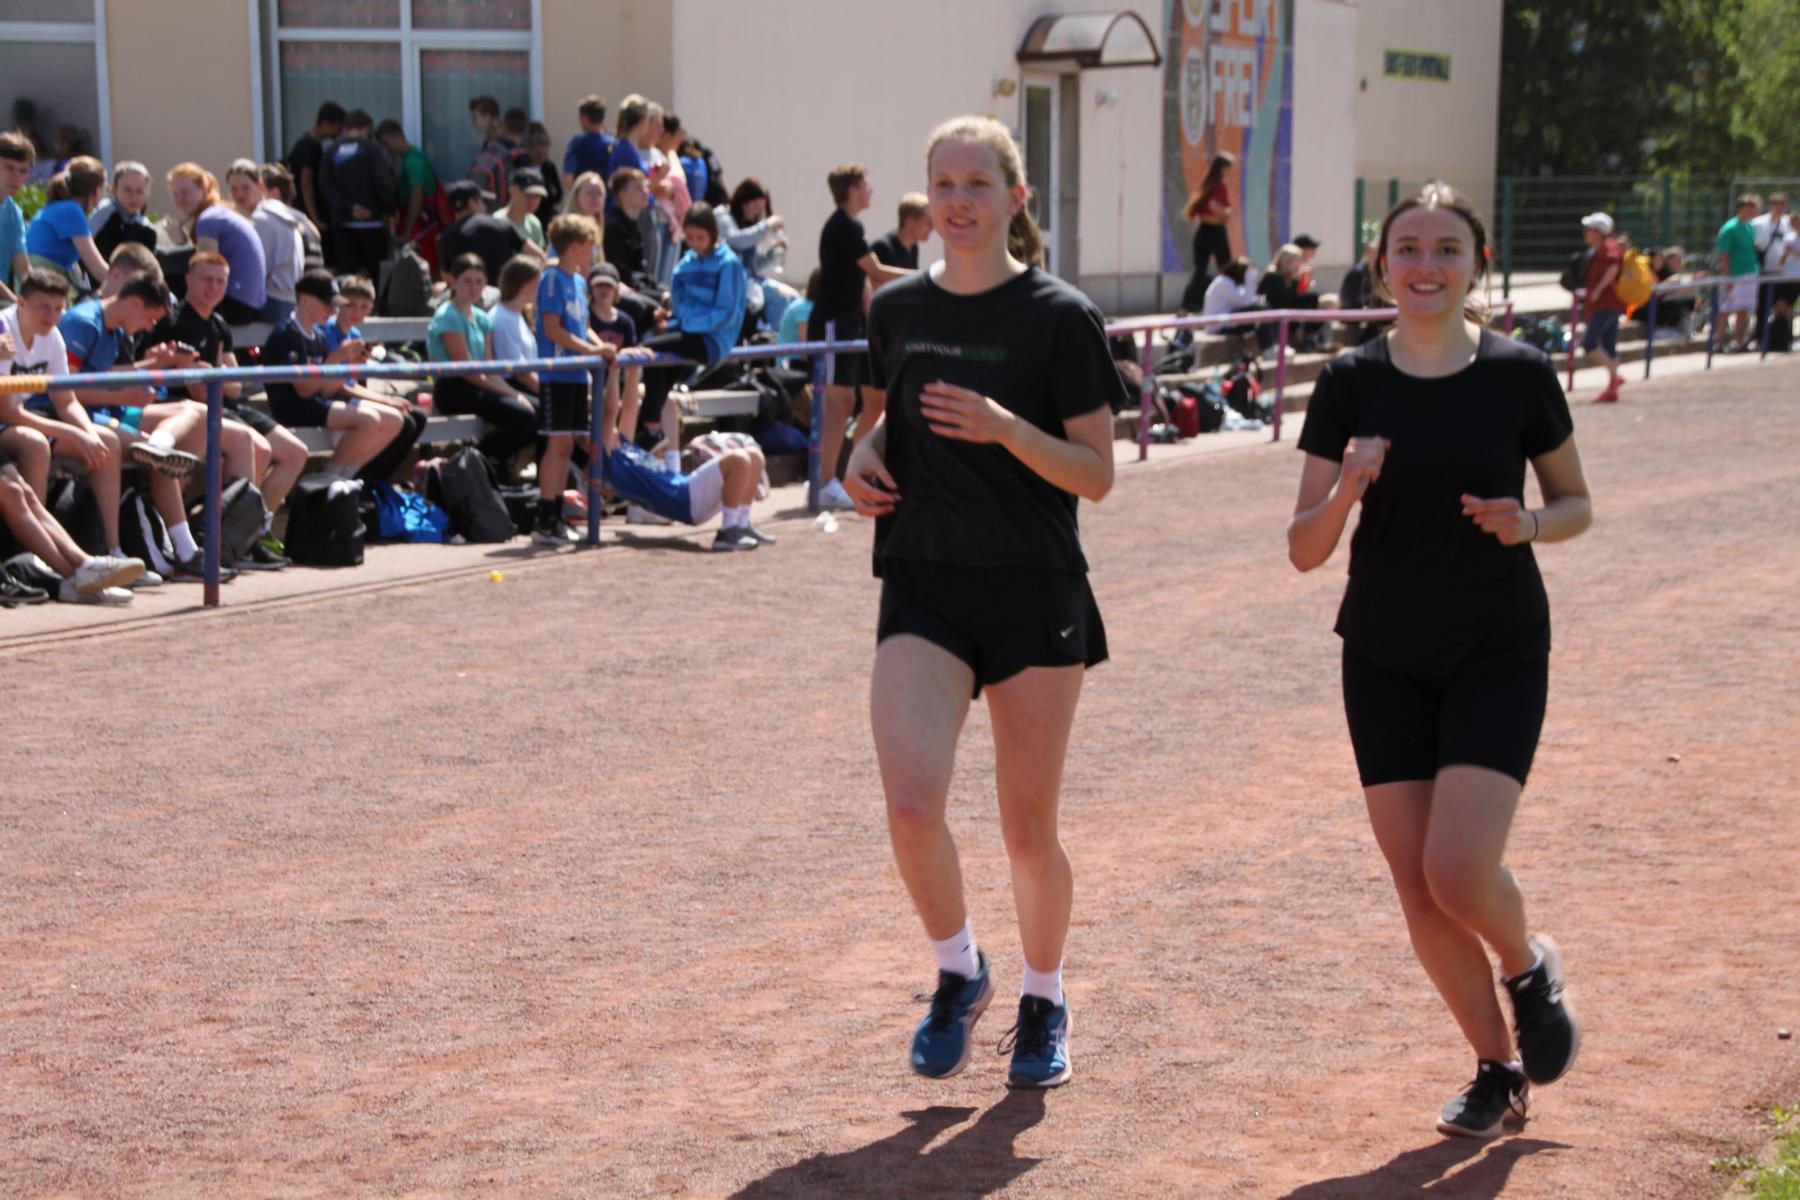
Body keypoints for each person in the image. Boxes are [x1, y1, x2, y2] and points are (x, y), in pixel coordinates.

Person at [1288, 180, 1590, 1141]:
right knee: (1417, 887)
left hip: (1497, 645)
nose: (1427, 265)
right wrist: (1348, 487)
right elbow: (1302, 547)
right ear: (1383, 266)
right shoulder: (1348, 381)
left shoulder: (1519, 373)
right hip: (1383, 653)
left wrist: (1527, 523)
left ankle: (1527, 963)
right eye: (1408, 249)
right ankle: (1498, 1069)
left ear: (1477, 265)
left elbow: (1577, 503)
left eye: (1447, 249)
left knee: (1458, 869)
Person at [840, 115, 1121, 1091]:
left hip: (1033, 588)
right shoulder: (897, 308)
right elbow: (883, 425)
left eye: (977, 184)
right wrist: (859, 458)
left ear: (1015, 198)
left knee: (1026, 830)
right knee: (911, 803)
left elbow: (1097, 474)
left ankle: (1044, 998)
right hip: (922, 577)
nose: (957, 201)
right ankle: (960, 971)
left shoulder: (1060, 316)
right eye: (944, 184)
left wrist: (1005, 427)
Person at [149, 251, 301, 568]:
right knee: (258, 448)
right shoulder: (174, 322)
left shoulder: (218, 324)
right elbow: (196, 388)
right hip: (191, 408)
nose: (214, 287)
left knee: (295, 452)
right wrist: (215, 376)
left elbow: (235, 385)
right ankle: (228, 542)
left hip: (227, 404)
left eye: (221, 281)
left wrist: (214, 371)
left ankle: (253, 533)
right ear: (189, 279)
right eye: (207, 279)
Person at [811, 162, 914, 511]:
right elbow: (878, 272)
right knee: (838, 401)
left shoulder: (851, 226)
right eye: (866, 184)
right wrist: (929, 277)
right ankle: (825, 481)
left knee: (864, 400)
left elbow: (866, 283)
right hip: (833, 323)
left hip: (851, 324)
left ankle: (844, 475)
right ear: (853, 190)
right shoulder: (843, 225)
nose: (871, 190)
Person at [263, 269, 415, 482]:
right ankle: (329, 477)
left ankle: (346, 477)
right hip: (293, 407)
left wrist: (351, 364)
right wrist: (337, 358)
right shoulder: (287, 335)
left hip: (316, 401)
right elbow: (304, 390)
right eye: (327, 303)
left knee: (395, 421)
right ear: (304, 299)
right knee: (370, 421)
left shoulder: (316, 335)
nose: (332, 310)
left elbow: (327, 388)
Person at [638, 204, 747, 466]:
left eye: (701, 237)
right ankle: (656, 439)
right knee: (660, 377)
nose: (696, 243)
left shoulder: (728, 264)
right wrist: (674, 322)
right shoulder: (685, 265)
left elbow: (725, 313)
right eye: (691, 238)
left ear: (713, 234)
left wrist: (681, 325)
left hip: (713, 340)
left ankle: (650, 429)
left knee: (649, 349)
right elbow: (680, 304)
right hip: (687, 334)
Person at [532, 214, 615, 545]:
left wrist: (600, 348)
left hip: (578, 375)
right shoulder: (551, 279)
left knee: (567, 446)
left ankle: (555, 515)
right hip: (558, 374)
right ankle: (545, 518)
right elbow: (553, 329)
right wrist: (592, 351)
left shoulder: (579, 282)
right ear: (575, 246)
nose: (592, 254)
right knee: (557, 446)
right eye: (589, 247)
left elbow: (583, 327)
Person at [428, 253, 538, 476]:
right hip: (454, 388)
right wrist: (512, 394)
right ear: (454, 282)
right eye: (467, 281)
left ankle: (493, 466)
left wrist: (514, 394)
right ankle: (468, 464)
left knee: (539, 410)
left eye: (479, 282)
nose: (473, 287)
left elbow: (489, 366)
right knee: (524, 416)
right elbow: (467, 369)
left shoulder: (481, 318)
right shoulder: (448, 316)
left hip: (478, 384)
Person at [599, 430, 771, 551]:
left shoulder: (624, 444)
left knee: (754, 455)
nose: (615, 429)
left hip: (688, 486)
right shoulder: (610, 460)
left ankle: (742, 524)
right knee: (738, 459)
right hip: (684, 499)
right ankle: (728, 531)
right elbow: (609, 411)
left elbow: (628, 404)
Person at [167, 162, 267, 324]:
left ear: (203, 189)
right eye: (175, 194)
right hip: (250, 302)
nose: (180, 199)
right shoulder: (220, 212)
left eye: (185, 192)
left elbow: (207, 267)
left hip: (237, 305)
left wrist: (180, 244)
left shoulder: (209, 219)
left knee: (169, 276)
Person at [226, 160, 307, 326]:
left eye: (246, 188)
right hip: (288, 300)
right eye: (234, 189)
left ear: (260, 186)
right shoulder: (283, 216)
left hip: (268, 301)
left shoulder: (260, 220)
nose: (239, 194)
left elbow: (254, 269)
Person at [320, 109, 396, 281]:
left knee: (347, 280)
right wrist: (389, 209)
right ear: (366, 128)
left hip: (343, 226)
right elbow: (383, 183)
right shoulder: (372, 150)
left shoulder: (331, 151)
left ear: (345, 128)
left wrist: (349, 208)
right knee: (377, 280)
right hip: (372, 224)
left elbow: (325, 187)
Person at [718, 177, 797, 334]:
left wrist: (772, 253)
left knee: (791, 298)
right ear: (743, 201)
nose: (756, 213)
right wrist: (767, 225)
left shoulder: (750, 226)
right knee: (763, 300)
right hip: (732, 281)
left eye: (760, 209)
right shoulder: (722, 215)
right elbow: (737, 240)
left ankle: (776, 340)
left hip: (751, 281)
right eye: (755, 207)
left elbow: (754, 265)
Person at [25, 155, 110, 292]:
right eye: (105, 188)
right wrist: (130, 288)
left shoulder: (57, 206)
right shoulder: (72, 210)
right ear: (96, 190)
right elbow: (97, 268)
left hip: (35, 285)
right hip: (42, 287)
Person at [376, 119, 449, 275]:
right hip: (421, 222)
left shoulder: (413, 161)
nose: (387, 149)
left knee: (422, 267)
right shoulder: (411, 158)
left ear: (397, 137)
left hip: (423, 224)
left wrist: (407, 231)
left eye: (387, 144)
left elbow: (417, 195)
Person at [438, 181, 542, 282]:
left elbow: (447, 278)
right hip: (505, 291)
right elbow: (534, 252)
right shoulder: (501, 225)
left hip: (468, 293)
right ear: (472, 202)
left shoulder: (445, 238)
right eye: (482, 201)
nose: (485, 206)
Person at [586, 262, 641, 442]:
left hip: (617, 382)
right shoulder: (585, 316)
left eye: (608, 285)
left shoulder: (625, 321)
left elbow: (632, 352)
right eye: (599, 285)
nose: (604, 290)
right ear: (591, 288)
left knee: (644, 394)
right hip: (591, 385)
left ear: (616, 290)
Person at [1576, 213, 1627, 401]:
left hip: (1607, 304)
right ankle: (1612, 388)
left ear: (1598, 232)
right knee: (1609, 345)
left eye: (1589, 229)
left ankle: (1615, 375)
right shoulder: (1601, 248)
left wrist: (1598, 289)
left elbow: (1613, 267)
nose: (1585, 232)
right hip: (1608, 304)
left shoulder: (1608, 247)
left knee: (1589, 343)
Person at [1179, 152, 1236, 312]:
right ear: (1222, 168)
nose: (1230, 172)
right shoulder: (1215, 187)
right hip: (1211, 231)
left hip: (1209, 231)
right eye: (1228, 168)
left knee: (1222, 269)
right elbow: (1216, 209)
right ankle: (1187, 305)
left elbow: (1221, 212)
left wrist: (1223, 212)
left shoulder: (1212, 187)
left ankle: (1223, 302)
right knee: (1210, 270)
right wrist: (1223, 212)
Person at [286, 100, 346, 237]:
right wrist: (315, 218)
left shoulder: (307, 142)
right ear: (325, 123)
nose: (340, 132)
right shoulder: (310, 145)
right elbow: (306, 183)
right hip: (308, 213)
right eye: (338, 126)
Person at [489, 254, 543, 399]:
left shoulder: (517, 314)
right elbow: (522, 375)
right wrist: (550, 395)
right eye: (538, 285)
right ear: (524, 285)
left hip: (529, 385)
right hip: (516, 387)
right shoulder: (502, 318)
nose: (541, 290)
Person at [1716, 194, 1762, 353]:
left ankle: (1740, 341)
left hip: (1750, 272)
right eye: (1752, 208)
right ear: (1743, 208)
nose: (1755, 211)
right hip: (1735, 274)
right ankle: (1719, 342)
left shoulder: (1749, 227)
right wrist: (1728, 277)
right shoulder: (1730, 228)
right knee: (1725, 309)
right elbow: (1723, 255)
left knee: (1744, 309)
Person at [87, 161, 156, 263]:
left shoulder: (147, 229)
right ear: (114, 189)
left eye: (139, 191)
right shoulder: (104, 213)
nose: (133, 197)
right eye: (127, 190)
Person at [1752, 193, 1794, 352]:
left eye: (1782, 204)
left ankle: (1785, 339)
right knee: (1763, 305)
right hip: (1765, 271)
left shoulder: (1789, 222)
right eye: (1777, 204)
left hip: (1786, 272)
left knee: (1785, 306)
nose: (1780, 207)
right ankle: (1760, 338)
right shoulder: (1759, 223)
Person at [0, 130, 37, 303]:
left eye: (23, 171)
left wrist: (44, 298)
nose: (16, 177)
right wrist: (18, 305)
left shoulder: (13, 213)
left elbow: (24, 270)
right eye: (9, 168)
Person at [872, 193, 933, 273]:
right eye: (928, 223)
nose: (933, 228)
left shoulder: (913, 247)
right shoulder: (882, 247)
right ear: (910, 222)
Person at [518, 123, 565, 223]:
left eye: (545, 155)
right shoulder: (522, 166)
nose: (541, 159)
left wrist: (546, 199)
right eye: (538, 155)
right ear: (530, 150)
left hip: (545, 215)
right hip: (525, 214)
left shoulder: (549, 166)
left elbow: (559, 193)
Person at [562, 95, 615, 183]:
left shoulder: (576, 144)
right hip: (607, 191)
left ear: (585, 118)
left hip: (583, 191)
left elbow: (568, 179)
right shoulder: (613, 144)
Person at [503, 169, 549, 250]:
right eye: (528, 194)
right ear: (513, 190)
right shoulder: (498, 221)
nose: (532, 201)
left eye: (537, 196)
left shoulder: (534, 223)